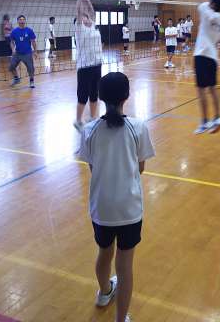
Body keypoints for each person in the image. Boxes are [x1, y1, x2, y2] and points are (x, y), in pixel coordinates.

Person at [78, 72, 155, 322]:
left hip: (102, 208)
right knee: (124, 265)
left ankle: (104, 293)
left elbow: (92, 167)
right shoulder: (138, 127)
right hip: (129, 208)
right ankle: (121, 319)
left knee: (104, 252)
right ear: (126, 96)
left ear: (100, 97)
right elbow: (140, 168)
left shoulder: (89, 130)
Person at [193, 0, 220, 134]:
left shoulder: (205, 10)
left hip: (201, 54)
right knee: (212, 88)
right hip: (213, 57)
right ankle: (218, 117)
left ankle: (205, 122)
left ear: (212, 3)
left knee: (201, 90)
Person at [74, 0, 103, 131]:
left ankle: (92, 118)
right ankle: (78, 121)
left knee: (94, 94)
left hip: (97, 65)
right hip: (84, 67)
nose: (87, 18)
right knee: (82, 96)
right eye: (84, 17)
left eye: (88, 17)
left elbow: (91, 10)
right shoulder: (79, 29)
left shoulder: (93, 27)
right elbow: (79, 12)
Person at [9, 15, 37, 88]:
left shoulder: (29, 30)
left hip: (27, 53)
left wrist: (35, 51)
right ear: (18, 21)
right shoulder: (14, 31)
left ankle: (31, 81)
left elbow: (33, 41)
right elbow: (11, 42)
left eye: (23, 19)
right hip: (17, 53)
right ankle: (16, 79)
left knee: (31, 68)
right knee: (11, 67)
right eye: (20, 19)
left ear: (25, 21)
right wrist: (13, 49)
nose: (22, 21)